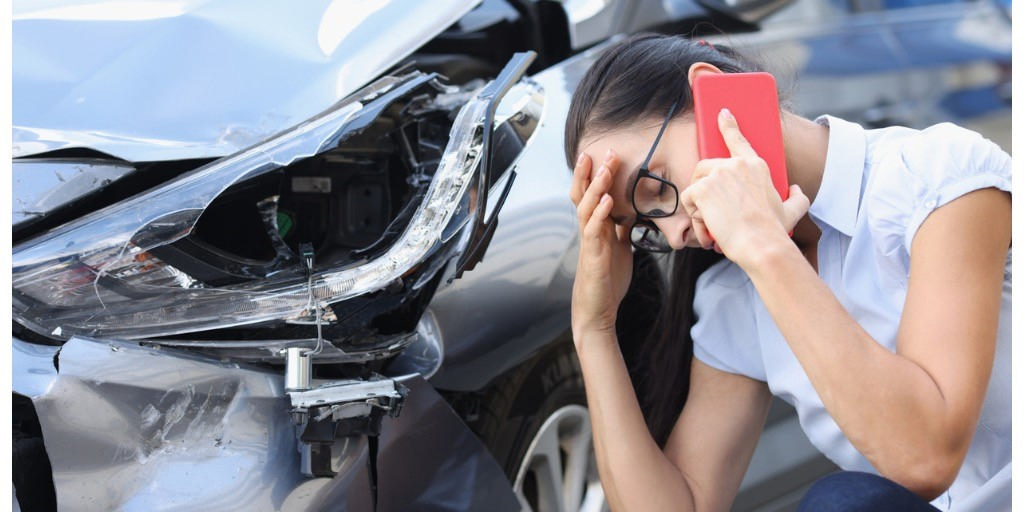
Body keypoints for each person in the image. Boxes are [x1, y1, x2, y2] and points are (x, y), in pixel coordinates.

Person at [565, 33, 1011, 511]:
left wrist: (766, 248)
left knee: (842, 502)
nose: (675, 236)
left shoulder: (935, 179)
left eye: (654, 186)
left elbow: (925, 457)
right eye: (645, 226)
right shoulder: (735, 294)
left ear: (713, 94)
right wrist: (594, 329)